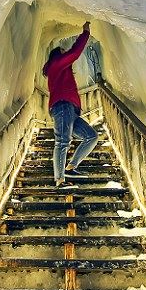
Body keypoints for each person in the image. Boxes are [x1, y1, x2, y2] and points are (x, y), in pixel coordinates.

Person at [43, 21, 99, 186]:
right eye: (62, 51)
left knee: (91, 136)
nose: (65, 53)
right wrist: (85, 33)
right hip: (62, 106)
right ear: (56, 55)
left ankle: (71, 167)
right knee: (62, 141)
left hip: (71, 110)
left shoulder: (62, 70)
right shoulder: (55, 65)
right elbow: (74, 53)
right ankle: (60, 179)